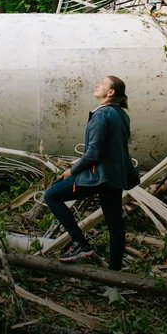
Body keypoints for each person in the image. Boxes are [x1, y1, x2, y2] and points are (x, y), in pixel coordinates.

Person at [44, 75, 133, 270]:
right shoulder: (121, 114)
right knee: (115, 225)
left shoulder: (101, 114)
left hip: (97, 176)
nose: (97, 85)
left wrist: (72, 170)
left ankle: (80, 243)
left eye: (102, 83)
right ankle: (115, 274)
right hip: (115, 177)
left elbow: (93, 153)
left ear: (111, 92)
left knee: (51, 196)